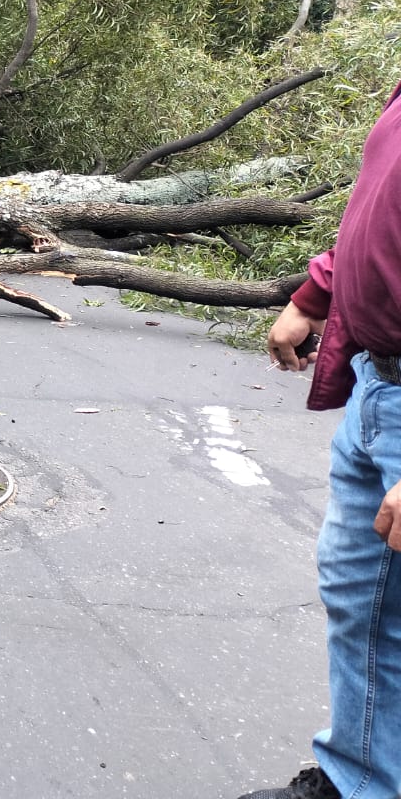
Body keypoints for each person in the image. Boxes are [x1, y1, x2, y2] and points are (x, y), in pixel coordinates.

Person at [250, 83, 401, 799]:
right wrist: (313, 296)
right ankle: (360, 778)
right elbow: (380, 209)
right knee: (366, 599)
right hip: (380, 384)